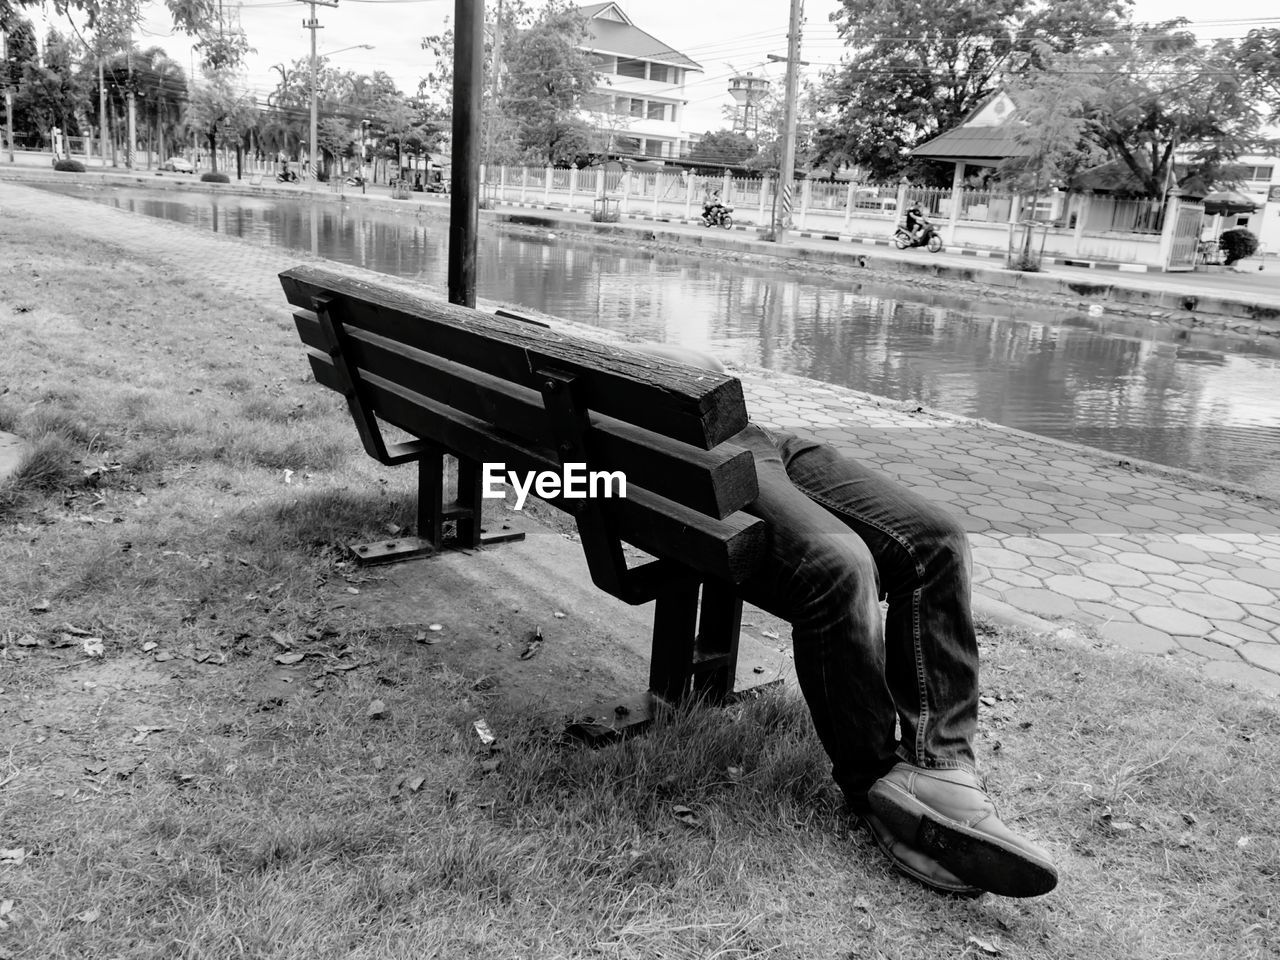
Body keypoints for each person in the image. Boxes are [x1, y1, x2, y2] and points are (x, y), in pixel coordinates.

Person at [631, 342, 1059, 900]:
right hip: (699, 454)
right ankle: (876, 789)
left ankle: (942, 767)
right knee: (841, 566)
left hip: (759, 437)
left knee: (938, 541)